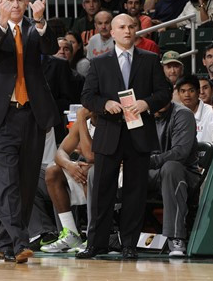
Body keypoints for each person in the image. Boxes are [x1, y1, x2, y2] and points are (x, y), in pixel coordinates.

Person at [0, 0, 60, 263]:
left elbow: (52, 47)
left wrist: (41, 20)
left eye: (20, 0)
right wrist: (2, 22)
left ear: (27, 2)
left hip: (32, 115)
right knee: (7, 181)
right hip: (1, 117)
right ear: (1, 3)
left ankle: (4, 242)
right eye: (10, 0)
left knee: (25, 185)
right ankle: (20, 243)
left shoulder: (35, 29)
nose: (16, 5)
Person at [77, 13, 171, 259]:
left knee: (135, 191)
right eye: (122, 27)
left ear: (137, 30)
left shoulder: (151, 60)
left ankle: (129, 243)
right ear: (113, 32)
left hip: (139, 132)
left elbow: (164, 92)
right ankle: (96, 244)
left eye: (131, 26)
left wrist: (146, 103)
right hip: (109, 132)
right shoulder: (99, 62)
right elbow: (87, 96)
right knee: (102, 192)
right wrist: (104, 103)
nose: (127, 31)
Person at [148, 100, 201, 257]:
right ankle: (112, 236)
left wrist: (146, 162)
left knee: (171, 167)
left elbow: (180, 153)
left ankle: (176, 237)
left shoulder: (182, 114)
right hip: (151, 172)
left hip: (184, 175)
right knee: (103, 171)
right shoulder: (141, 113)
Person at [41, 107, 94, 253]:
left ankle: (94, 235)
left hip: (117, 172)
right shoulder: (83, 122)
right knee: (53, 171)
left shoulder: (112, 120)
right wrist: (69, 165)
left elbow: (90, 156)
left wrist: (81, 119)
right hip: (88, 172)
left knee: (90, 173)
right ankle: (71, 233)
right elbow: (60, 152)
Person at [176, 75, 213, 142]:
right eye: (183, 91)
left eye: (191, 91)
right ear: (178, 94)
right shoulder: (175, 114)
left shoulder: (212, 113)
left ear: (198, 92)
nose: (187, 95)